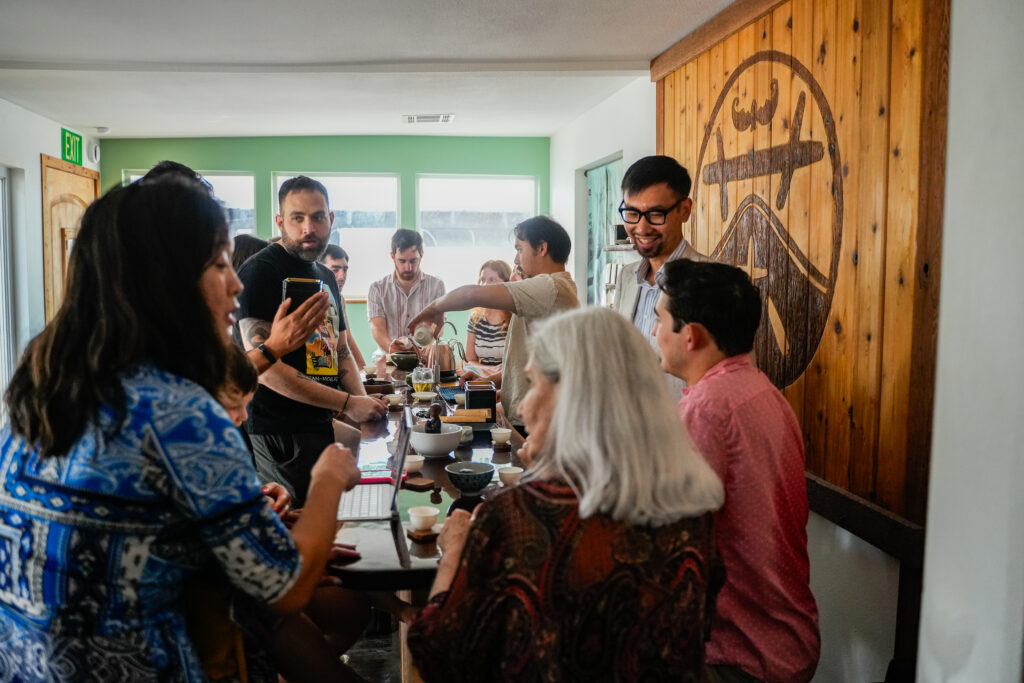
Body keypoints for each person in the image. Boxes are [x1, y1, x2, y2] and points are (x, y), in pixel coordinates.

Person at [0, 176, 360, 681]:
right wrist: (327, 479)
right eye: (218, 266)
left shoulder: (39, 386)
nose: (235, 284)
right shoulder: (178, 414)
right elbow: (285, 587)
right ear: (165, 282)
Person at [407, 307, 725, 681]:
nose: (523, 405)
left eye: (533, 385)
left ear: (572, 398)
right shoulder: (694, 511)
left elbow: (438, 654)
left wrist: (454, 553)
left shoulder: (519, 518)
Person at [654, 259, 820, 683]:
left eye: (660, 320)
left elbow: (667, 537)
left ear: (690, 336)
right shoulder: (762, 392)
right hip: (786, 639)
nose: (655, 333)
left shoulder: (706, 408)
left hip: (738, 654)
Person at [236, 176, 387, 506]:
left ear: (330, 219)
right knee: (294, 530)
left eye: (318, 217)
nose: (309, 228)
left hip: (320, 422)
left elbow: (341, 350)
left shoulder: (325, 274)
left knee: (325, 518)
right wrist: (347, 404)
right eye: (297, 218)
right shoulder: (260, 272)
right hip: (280, 432)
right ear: (280, 221)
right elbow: (264, 369)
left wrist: (363, 405)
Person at [407, 216, 579, 428]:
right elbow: (525, 363)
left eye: (519, 249)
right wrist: (489, 382)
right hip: (524, 416)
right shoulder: (553, 288)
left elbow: (472, 294)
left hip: (537, 422)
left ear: (542, 248)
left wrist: (435, 309)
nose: (516, 260)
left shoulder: (549, 287)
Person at [614, 155, 712, 397]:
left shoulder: (712, 281)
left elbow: (729, 378)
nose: (642, 228)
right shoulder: (627, 277)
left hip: (683, 428)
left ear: (685, 210)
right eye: (632, 213)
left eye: (656, 214)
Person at [366, 228, 446, 355]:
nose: (408, 267)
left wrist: (422, 349)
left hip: (423, 356)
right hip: (388, 357)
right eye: (402, 261)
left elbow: (438, 326)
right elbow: (377, 328)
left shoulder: (437, 286)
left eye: (413, 261)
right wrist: (393, 350)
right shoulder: (377, 289)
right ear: (392, 256)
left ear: (422, 255)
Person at [463, 259, 512, 378]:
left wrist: (489, 372)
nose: (485, 285)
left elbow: (515, 365)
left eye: (492, 280)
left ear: (505, 283)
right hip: (482, 378)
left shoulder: (513, 317)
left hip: (506, 379)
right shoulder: (475, 317)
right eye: (483, 280)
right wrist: (491, 370)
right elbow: (470, 360)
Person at [321, 243, 366, 369]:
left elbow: (347, 338)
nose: (342, 276)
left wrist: (364, 371)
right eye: (335, 270)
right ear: (319, 269)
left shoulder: (339, 299)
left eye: (345, 270)